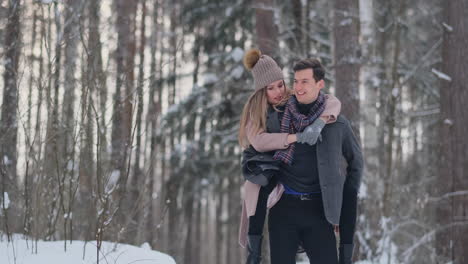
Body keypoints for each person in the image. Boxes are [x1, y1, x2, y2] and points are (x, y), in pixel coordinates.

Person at [237, 49, 342, 264]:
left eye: (280, 85)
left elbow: (332, 101)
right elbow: (259, 141)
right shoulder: (254, 113)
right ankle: (254, 252)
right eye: (270, 88)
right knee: (255, 187)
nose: (277, 91)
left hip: (302, 182)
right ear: (260, 91)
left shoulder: (294, 99)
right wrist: (294, 137)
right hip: (270, 168)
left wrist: (320, 122)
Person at [266, 58, 363, 264]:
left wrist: (343, 198)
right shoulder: (278, 119)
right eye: (296, 81)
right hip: (284, 210)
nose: (298, 88)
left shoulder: (336, 124)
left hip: (320, 211)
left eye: (305, 82)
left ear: (320, 84)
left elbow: (356, 163)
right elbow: (258, 148)